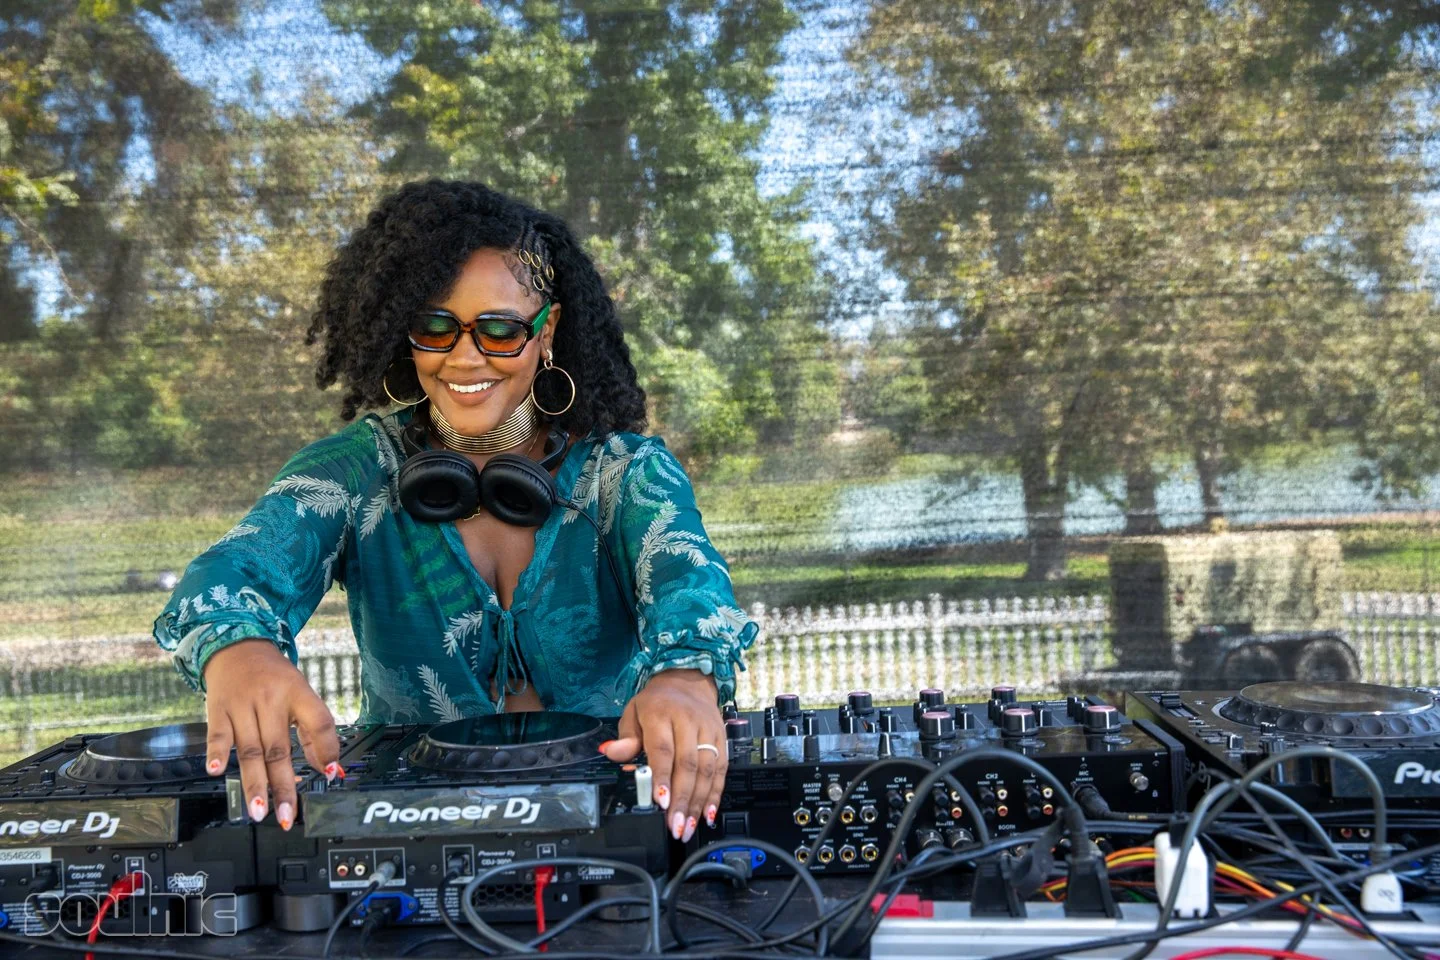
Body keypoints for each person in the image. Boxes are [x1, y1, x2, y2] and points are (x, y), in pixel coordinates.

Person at [153, 180, 756, 846]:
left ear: (548, 331)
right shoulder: (352, 472)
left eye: (500, 330)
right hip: (404, 837)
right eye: (435, 327)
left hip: (608, 833)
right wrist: (240, 653)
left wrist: (685, 678)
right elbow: (228, 574)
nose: (464, 357)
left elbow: (690, 588)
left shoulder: (628, 474)